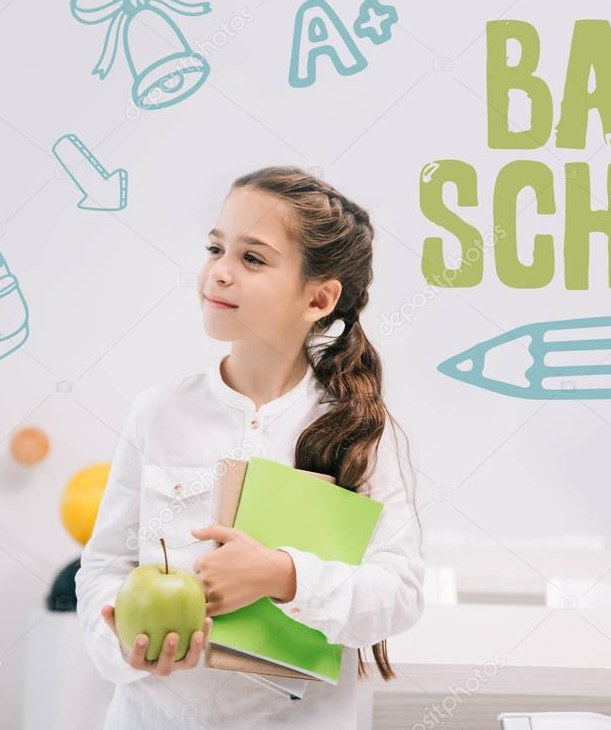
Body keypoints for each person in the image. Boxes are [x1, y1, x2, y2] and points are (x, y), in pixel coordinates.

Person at [74, 166, 425, 728]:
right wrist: (120, 641)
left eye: (252, 258)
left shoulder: (358, 429)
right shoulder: (157, 413)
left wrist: (284, 576)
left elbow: (399, 594)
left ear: (319, 299)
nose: (219, 273)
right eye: (216, 248)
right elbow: (103, 570)